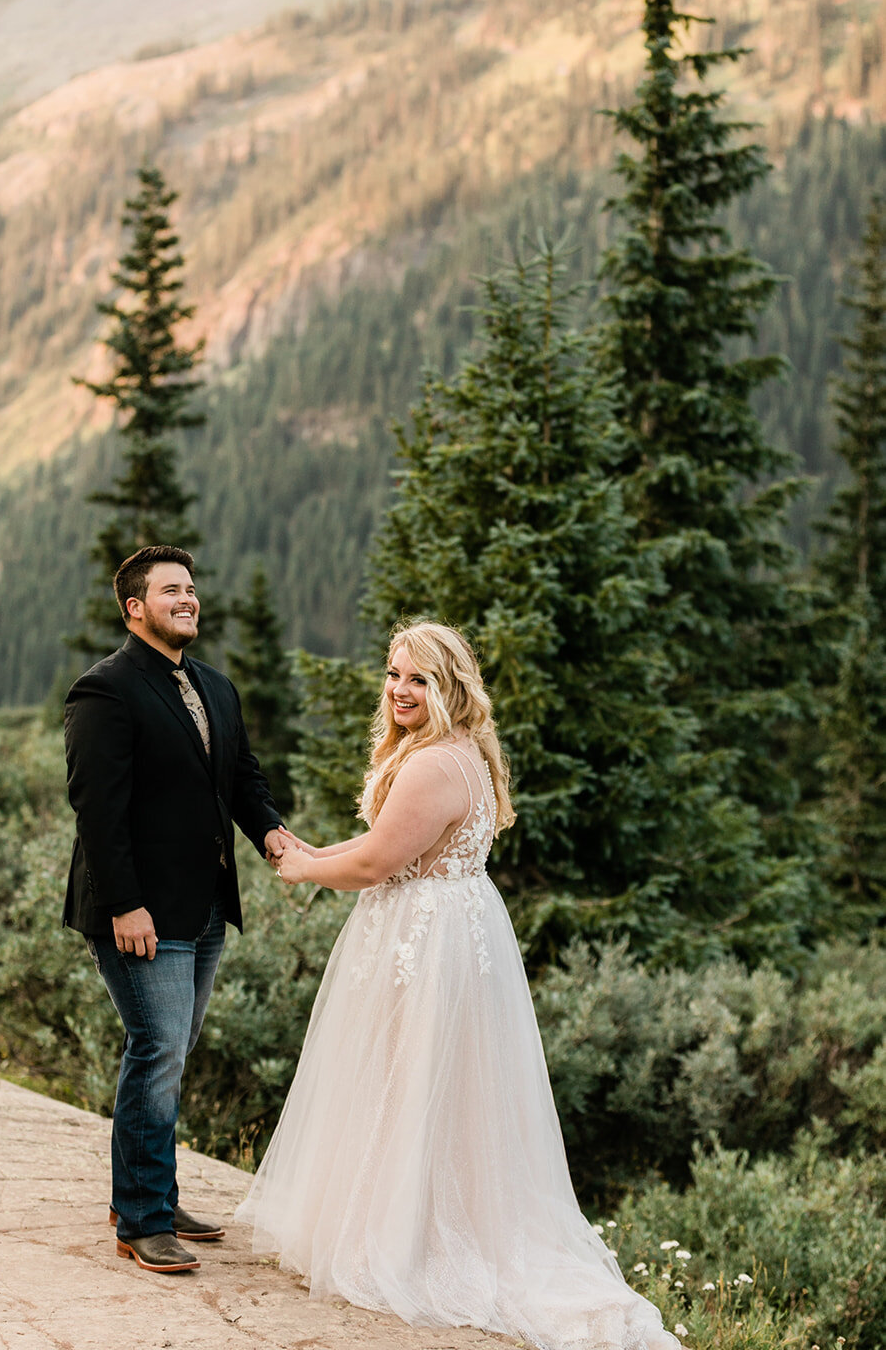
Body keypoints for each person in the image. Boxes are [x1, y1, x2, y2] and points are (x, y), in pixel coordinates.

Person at [238, 621, 679, 1349]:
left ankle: (404, 1243)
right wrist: (319, 848)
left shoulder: (432, 765)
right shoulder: (454, 752)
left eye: (418, 679)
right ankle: (403, 1223)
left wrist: (301, 867)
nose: (399, 690)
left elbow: (377, 864)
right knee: (416, 1082)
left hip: (423, 937)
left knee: (408, 1079)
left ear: (450, 687)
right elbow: (392, 846)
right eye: (392, 673)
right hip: (442, 925)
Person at [63, 544, 293, 1275]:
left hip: (203, 910)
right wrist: (125, 905)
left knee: (170, 1052)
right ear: (135, 608)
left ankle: (147, 1192)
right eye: (170, 590)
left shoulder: (216, 688)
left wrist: (271, 834)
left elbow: (242, 781)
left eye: (191, 588)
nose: (187, 599)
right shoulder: (104, 691)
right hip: (141, 917)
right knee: (157, 1050)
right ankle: (141, 1219)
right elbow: (97, 812)